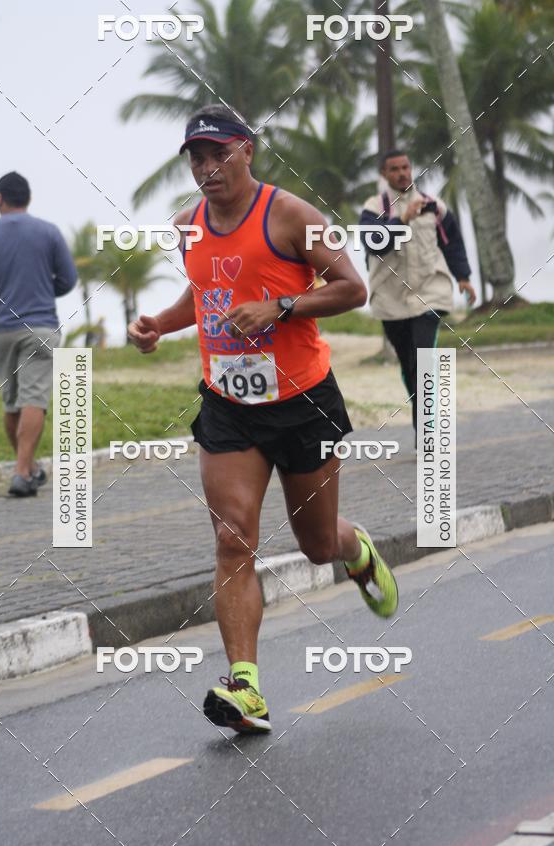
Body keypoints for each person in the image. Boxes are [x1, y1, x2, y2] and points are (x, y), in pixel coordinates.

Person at [129, 105, 399, 734]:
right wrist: (158, 328)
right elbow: (205, 294)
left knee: (315, 545)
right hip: (228, 407)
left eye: (217, 153)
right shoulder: (187, 226)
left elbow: (352, 289)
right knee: (232, 538)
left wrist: (279, 306)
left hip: (302, 402)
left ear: (247, 150)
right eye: (195, 157)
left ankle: (355, 553)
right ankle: (245, 687)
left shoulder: (291, 215)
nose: (206, 167)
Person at [0, 172, 77, 496]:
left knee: (12, 402)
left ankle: (29, 469)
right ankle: (21, 472)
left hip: (0, 330)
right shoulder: (49, 232)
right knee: (33, 399)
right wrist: (43, 291)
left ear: (0, 199)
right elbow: (68, 280)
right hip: (40, 326)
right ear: (27, 198)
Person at [360, 150, 476, 443]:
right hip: (391, 300)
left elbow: (452, 241)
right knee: (409, 365)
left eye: (406, 167)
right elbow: (373, 243)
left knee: (424, 361)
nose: (402, 173)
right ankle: (421, 413)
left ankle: (426, 432)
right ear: (385, 175)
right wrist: (401, 219)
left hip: (429, 293)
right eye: (395, 169)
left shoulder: (434, 206)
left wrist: (463, 277)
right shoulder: (373, 208)